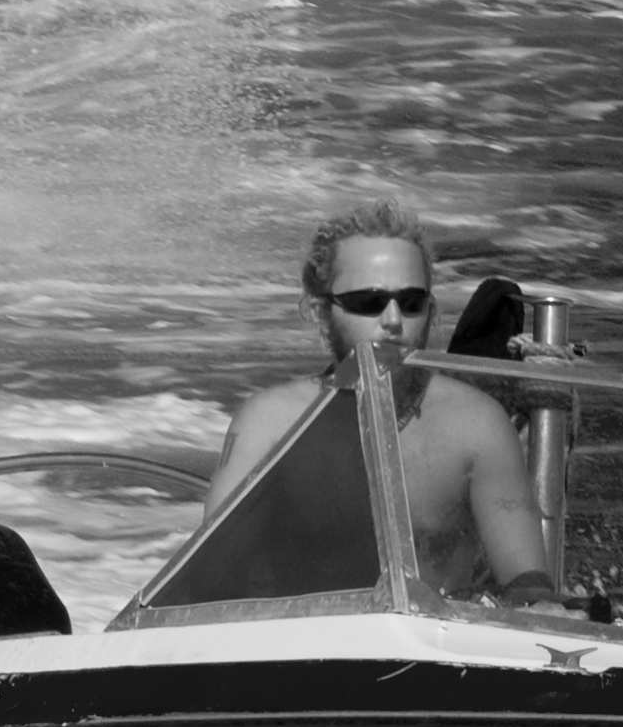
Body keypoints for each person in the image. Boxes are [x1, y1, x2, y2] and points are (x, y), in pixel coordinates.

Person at [204, 203, 557, 604]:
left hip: (433, 645)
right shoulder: (267, 424)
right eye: (369, 302)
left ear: (431, 311)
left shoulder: (478, 426)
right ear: (320, 312)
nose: (392, 321)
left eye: (411, 302)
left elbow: (528, 585)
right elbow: (210, 576)